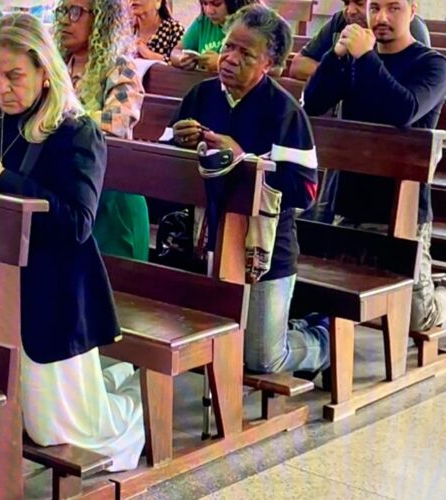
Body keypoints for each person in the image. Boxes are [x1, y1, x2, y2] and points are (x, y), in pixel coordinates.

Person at [0, 13, 144, 471]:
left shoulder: (77, 132)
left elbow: (76, 223)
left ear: (44, 71)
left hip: (53, 289)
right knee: (19, 410)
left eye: (14, 75)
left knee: (66, 433)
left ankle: (131, 407)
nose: (3, 87)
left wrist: (0, 180)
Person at [164, 5, 329, 375]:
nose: (230, 59)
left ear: (269, 63)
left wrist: (243, 158)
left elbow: (304, 191)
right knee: (206, 339)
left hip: (266, 248)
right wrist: (178, 144)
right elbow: (162, 166)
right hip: (206, 237)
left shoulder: (284, 112)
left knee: (262, 358)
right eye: (228, 47)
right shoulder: (200, 96)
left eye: (245, 53)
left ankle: (322, 336)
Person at [302, 0, 446, 332]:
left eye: (393, 8)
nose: (380, 18)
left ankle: (440, 293)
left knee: (415, 319)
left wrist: (366, 57)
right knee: (341, 300)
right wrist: (334, 57)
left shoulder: (432, 64)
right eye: (374, 8)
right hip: (349, 198)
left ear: (413, 10)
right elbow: (314, 102)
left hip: (402, 207)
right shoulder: (355, 60)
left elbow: (404, 111)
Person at [55, 0, 150, 261]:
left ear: (102, 20)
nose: (65, 20)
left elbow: (117, 120)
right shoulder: (56, 65)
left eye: (76, 12)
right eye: (62, 11)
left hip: (111, 200)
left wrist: (57, 120)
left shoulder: (120, 66)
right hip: (67, 194)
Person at [289, 0, 432, 80]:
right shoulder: (340, 20)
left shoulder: (407, 28)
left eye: (359, 3)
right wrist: (345, 77)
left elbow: (400, 88)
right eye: (346, 2)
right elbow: (298, 65)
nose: (350, 10)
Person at [169, 0, 257, 73]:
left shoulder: (250, 27)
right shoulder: (203, 22)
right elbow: (175, 51)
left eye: (216, 4)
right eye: (204, 3)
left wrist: (220, 63)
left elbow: (257, 66)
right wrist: (181, 59)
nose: (209, 11)